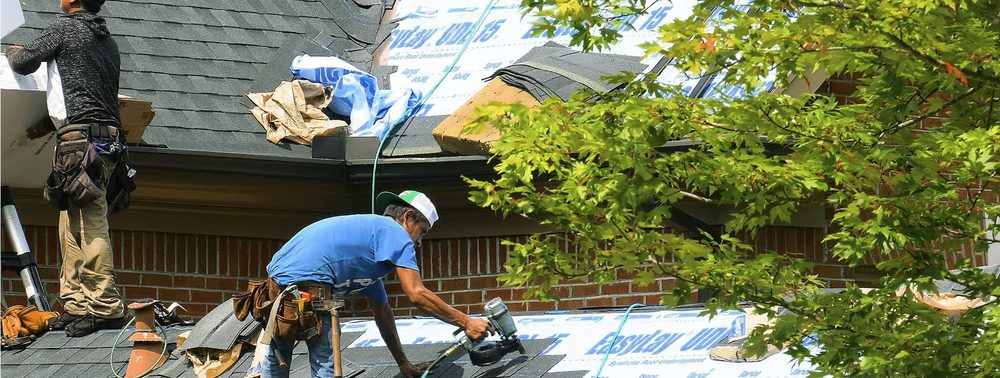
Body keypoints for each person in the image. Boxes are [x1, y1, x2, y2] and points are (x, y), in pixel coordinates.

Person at [264, 190, 491, 377]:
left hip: (277, 284)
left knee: (278, 356)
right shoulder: (396, 233)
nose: (419, 242)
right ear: (408, 217)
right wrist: (467, 322)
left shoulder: (368, 252)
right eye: (422, 232)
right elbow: (416, 294)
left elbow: (383, 312)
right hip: (310, 281)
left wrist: (403, 363)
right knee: (326, 360)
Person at [6, 0, 126, 337]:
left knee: (89, 220)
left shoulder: (66, 27)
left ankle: (105, 306)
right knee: (69, 221)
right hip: (104, 139)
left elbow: (24, 62)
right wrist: (49, 123)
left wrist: (15, 51)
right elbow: (89, 93)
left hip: (80, 142)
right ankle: (76, 303)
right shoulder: (107, 41)